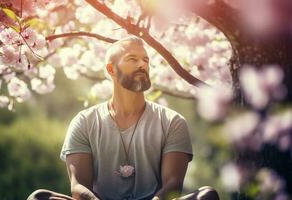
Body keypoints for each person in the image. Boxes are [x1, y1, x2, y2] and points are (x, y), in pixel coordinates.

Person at [27, 36, 219, 200]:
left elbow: (173, 184)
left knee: (207, 195)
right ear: (111, 70)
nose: (142, 64)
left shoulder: (172, 121)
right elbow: (78, 186)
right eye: (132, 59)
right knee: (38, 197)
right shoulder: (84, 121)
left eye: (145, 60)